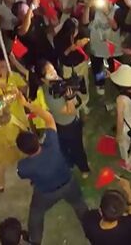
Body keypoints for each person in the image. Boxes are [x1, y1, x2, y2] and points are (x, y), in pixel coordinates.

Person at [16, 95, 88, 245]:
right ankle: (91, 229)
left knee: (36, 214)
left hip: (46, 193)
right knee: (79, 204)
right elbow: (48, 118)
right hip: (68, 184)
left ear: (23, 151)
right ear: (37, 140)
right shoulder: (52, 144)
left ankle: (35, 240)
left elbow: (22, 174)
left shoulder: (24, 166)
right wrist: (26, 104)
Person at [39, 60, 90, 177]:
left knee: (65, 147)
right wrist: (70, 99)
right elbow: (71, 112)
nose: (55, 74)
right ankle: (84, 169)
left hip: (60, 124)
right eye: (50, 74)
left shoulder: (55, 84)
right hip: (68, 125)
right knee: (77, 148)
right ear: (43, 79)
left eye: (54, 70)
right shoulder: (52, 97)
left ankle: (70, 164)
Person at [81, 176, 131, 244]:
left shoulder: (89, 220)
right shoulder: (128, 225)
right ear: (123, 213)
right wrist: (129, 192)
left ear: (100, 211)